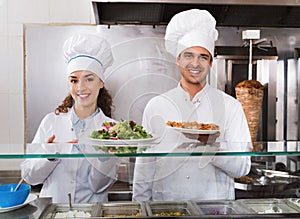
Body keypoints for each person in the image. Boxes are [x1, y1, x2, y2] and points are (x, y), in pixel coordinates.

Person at [133, 9, 252, 201]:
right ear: (178, 60)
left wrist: (210, 147)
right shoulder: (156, 106)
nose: (195, 63)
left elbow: (242, 168)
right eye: (188, 55)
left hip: (214, 210)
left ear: (211, 63)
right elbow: (144, 168)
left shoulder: (231, 107)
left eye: (203, 57)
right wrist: (140, 208)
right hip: (167, 209)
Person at [21, 33, 118, 203]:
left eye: (89, 79)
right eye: (74, 80)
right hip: (53, 209)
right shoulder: (51, 122)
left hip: (92, 210)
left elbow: (98, 186)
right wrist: (50, 156)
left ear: (101, 83)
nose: (81, 87)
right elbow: (29, 178)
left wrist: (104, 159)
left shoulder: (111, 129)